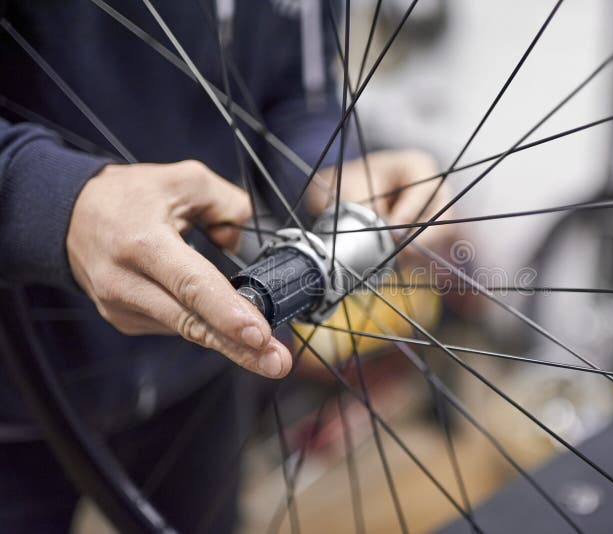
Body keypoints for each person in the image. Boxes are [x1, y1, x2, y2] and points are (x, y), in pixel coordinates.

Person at [0, 1, 449, 531]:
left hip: (207, 365)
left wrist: (333, 170)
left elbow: (297, 95)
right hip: (14, 391)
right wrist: (54, 201)